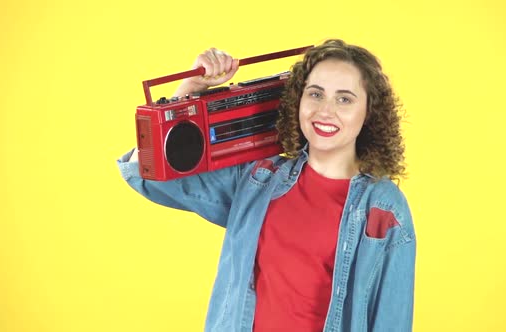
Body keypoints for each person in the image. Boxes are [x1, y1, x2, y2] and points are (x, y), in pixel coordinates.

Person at [117, 39, 416, 332]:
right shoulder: (259, 178)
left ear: (369, 113)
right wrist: (188, 94)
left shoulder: (383, 209)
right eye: (315, 94)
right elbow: (148, 174)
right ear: (297, 100)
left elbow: (392, 320)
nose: (325, 110)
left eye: (344, 99)